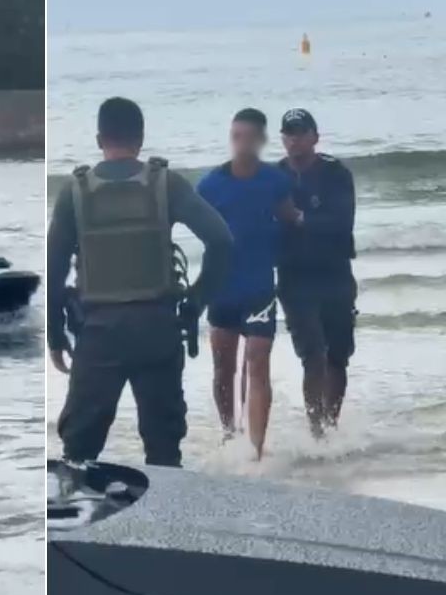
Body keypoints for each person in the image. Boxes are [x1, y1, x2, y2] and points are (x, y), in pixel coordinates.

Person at [47, 97, 232, 468]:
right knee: (164, 451)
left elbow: (54, 268)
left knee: (78, 451)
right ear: (141, 139)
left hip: (98, 333)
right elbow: (222, 240)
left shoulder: (75, 192)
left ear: (99, 139)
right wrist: (196, 301)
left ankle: (78, 502)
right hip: (157, 330)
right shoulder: (167, 184)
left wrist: (55, 334)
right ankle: (167, 504)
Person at [197, 108, 299, 458]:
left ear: (261, 140)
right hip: (222, 289)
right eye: (235, 136)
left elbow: (290, 218)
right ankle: (229, 433)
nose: (241, 143)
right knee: (223, 368)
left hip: (259, 289)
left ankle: (256, 448)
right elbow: (194, 225)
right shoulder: (210, 185)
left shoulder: (275, 181)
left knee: (257, 361)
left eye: (248, 137)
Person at [276, 108, 357, 437]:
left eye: (300, 132)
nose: (294, 139)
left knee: (337, 356)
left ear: (315, 137)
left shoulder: (335, 173)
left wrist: (299, 218)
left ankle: (331, 425)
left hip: (335, 273)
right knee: (312, 354)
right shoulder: (275, 177)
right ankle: (316, 432)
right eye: (288, 133)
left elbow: (342, 223)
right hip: (294, 278)